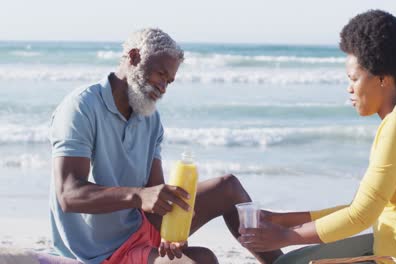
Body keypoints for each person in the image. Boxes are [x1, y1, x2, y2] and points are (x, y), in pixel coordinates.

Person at [238, 10, 396, 264]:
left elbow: (360, 216)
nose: (349, 88)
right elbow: (360, 207)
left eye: (354, 78)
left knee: (288, 262)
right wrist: (281, 220)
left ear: (383, 79)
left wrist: (285, 236)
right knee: (292, 260)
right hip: (393, 247)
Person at [49, 28, 282, 264]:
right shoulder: (81, 107)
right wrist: (139, 196)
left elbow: (154, 198)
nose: (163, 87)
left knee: (228, 188)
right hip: (101, 251)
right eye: (161, 74)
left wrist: (174, 228)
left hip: (139, 227)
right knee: (203, 260)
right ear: (134, 57)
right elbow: (68, 195)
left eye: (169, 81)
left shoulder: (150, 118)